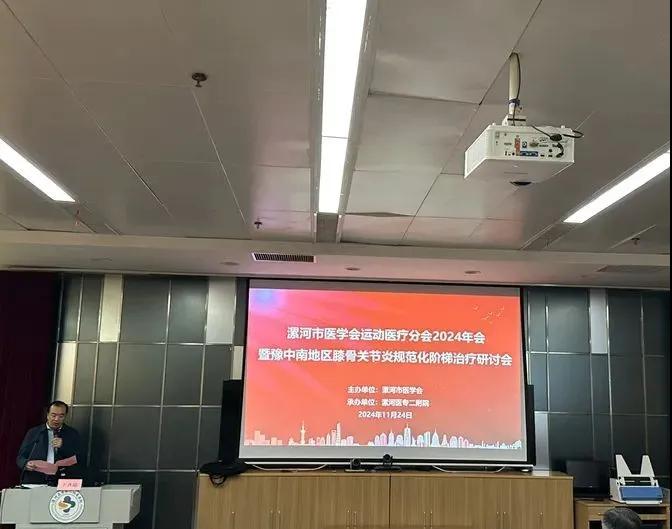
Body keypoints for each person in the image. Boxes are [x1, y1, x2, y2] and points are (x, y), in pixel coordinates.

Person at [16, 400, 81, 485]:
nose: (56, 419)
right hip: (35, 479)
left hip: (62, 480)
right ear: (47, 415)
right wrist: (26, 464)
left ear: (65, 416)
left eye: (61, 416)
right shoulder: (34, 432)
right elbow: (20, 457)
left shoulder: (72, 433)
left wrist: (63, 446)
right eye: (53, 415)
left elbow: (79, 458)